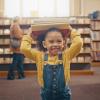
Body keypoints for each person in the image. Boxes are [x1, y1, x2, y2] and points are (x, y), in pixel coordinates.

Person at [20, 24, 83, 100]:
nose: (55, 44)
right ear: (44, 44)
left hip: (63, 95)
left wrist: (71, 31)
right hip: (46, 95)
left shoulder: (66, 55)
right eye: (51, 41)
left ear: (63, 43)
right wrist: (28, 35)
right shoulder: (39, 56)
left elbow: (78, 43)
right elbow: (24, 49)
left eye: (59, 41)